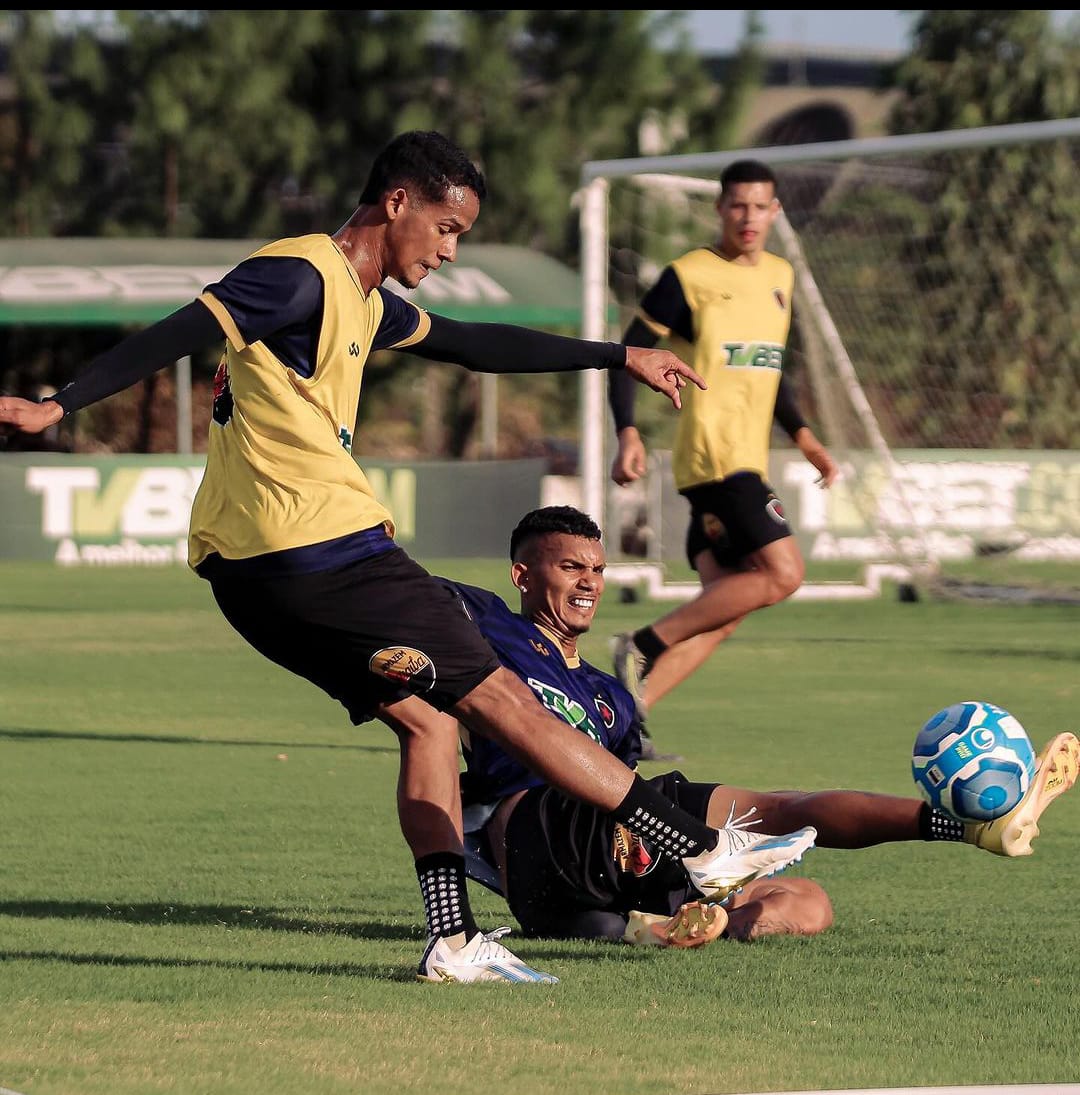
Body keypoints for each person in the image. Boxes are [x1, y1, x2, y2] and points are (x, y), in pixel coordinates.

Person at [0, 131, 819, 986]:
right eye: (447, 226)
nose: (450, 249)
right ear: (397, 203)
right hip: (324, 547)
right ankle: (700, 849)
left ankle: (452, 939)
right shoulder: (300, 273)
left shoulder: (366, 300)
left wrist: (617, 354)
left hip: (249, 578)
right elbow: (181, 328)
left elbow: (472, 343)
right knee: (503, 697)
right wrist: (59, 405)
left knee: (428, 721)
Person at [442, 505, 1079, 946]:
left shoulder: (613, 697)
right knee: (777, 809)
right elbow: (405, 588)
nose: (589, 582)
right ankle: (966, 828)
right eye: (570, 568)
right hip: (535, 826)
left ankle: (683, 928)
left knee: (810, 902)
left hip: (573, 889)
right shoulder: (494, 627)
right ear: (522, 576)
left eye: (598, 569)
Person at [606, 159, 840, 730]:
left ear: (775, 211)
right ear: (719, 208)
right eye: (738, 205)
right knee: (784, 574)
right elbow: (628, 354)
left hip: (745, 459)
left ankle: (623, 721)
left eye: (760, 206)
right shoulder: (689, 276)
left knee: (726, 607)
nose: (748, 217)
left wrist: (805, 438)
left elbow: (770, 370)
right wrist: (627, 430)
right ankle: (640, 643)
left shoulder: (780, 276)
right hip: (714, 458)